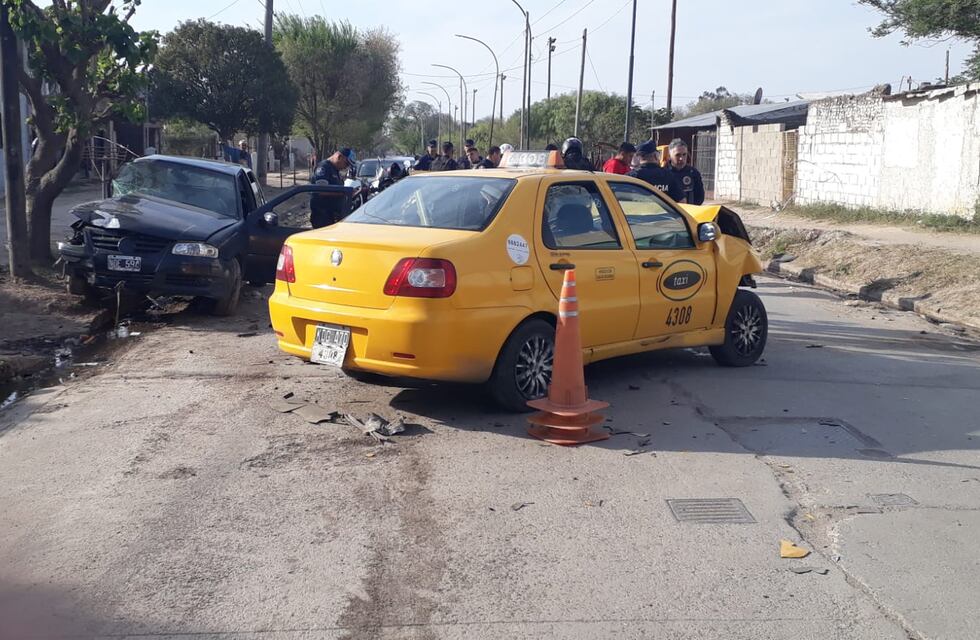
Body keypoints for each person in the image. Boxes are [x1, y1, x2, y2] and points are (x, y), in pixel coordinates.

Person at [309, 148, 355, 228]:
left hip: (333, 217)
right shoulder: (324, 167)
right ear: (339, 157)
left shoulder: (335, 170)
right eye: (346, 163)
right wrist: (343, 192)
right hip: (323, 217)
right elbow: (322, 190)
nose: (346, 167)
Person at [667, 138, 706, 205]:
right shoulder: (664, 173)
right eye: (677, 155)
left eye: (684, 154)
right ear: (669, 156)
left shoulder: (693, 173)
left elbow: (699, 197)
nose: (681, 158)